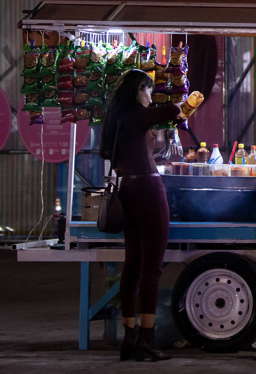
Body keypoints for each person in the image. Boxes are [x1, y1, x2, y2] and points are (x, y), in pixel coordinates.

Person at [99, 69, 180, 362]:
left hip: (127, 191)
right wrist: (167, 106)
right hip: (148, 188)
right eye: (148, 91)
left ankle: (129, 336)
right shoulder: (138, 113)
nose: (150, 97)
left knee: (132, 266)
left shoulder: (114, 118)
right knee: (152, 268)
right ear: (139, 91)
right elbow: (174, 108)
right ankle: (148, 337)